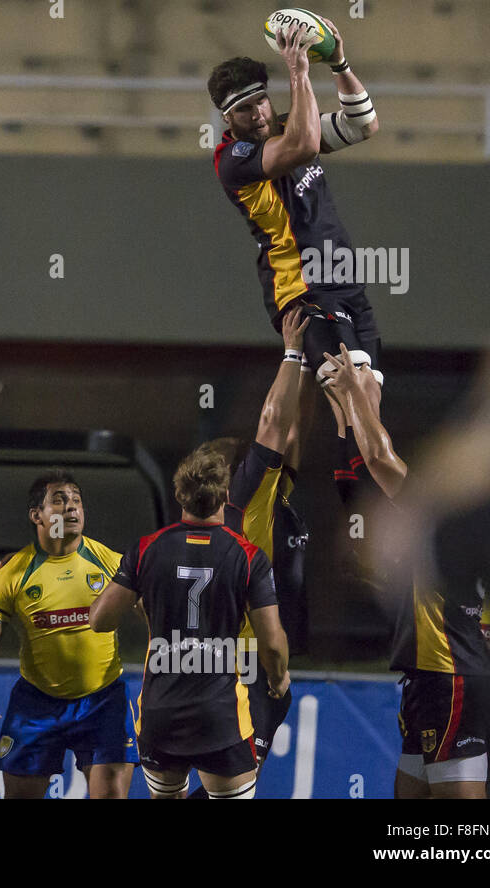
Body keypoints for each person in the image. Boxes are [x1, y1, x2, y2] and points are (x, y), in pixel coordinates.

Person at [209, 16, 384, 499]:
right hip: (302, 287)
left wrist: (340, 63)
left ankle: (338, 474)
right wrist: (300, 69)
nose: (258, 113)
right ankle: (368, 483)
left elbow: (364, 124)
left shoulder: (289, 122)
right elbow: (304, 145)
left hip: (343, 277)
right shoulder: (234, 159)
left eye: (260, 99)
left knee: (362, 392)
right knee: (348, 388)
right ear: (228, 119)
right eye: (244, 109)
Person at [320, 344, 490, 799]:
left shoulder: (444, 511)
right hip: (426, 679)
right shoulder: (454, 522)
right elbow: (368, 472)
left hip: (451, 677)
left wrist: (358, 392)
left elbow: (380, 460)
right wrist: (356, 402)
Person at [89, 447, 289, 800]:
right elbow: (271, 642)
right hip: (220, 716)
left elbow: (100, 620)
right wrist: (277, 678)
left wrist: (148, 602)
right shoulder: (248, 556)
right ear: (226, 496)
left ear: (179, 494)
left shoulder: (146, 549)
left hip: (160, 713)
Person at [0, 470, 138, 799]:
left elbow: (152, 612)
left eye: (76, 500)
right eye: (59, 500)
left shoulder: (113, 564)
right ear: (36, 516)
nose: (71, 507)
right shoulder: (12, 572)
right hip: (37, 703)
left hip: (103, 701)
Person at [190, 306, 308, 792]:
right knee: (234, 788)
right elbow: (274, 420)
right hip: (241, 668)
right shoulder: (244, 500)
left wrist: (315, 365)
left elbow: (293, 429)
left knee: (234, 786)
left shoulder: (276, 496)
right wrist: (293, 352)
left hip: (266, 664)